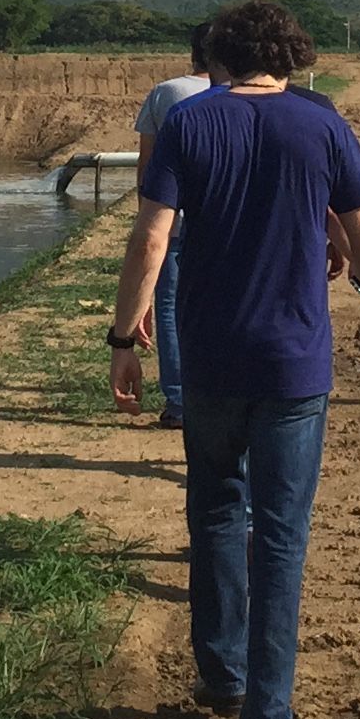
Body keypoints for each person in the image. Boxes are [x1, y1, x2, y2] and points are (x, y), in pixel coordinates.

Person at [112, 0, 360, 719]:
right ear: (293, 55)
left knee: (214, 511)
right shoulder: (322, 123)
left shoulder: (190, 124)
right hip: (295, 365)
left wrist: (125, 335)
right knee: (281, 534)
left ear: (220, 58)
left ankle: (222, 675)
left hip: (209, 358)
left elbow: (151, 237)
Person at [131, 26, 217, 431]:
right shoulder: (246, 96)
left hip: (173, 222)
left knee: (168, 307)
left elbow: (146, 167)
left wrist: (144, 217)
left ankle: (180, 402)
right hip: (222, 224)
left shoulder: (167, 93)